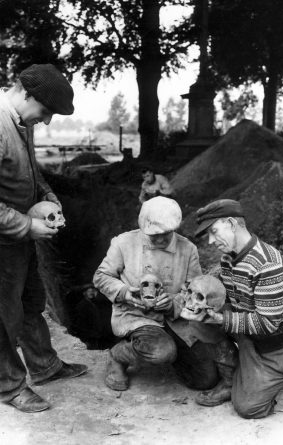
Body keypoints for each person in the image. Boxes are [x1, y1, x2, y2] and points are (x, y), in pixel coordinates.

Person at [0, 64, 88, 413]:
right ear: (26, 94)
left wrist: (48, 197)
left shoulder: (22, 122)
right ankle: (8, 386)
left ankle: (44, 366)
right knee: (2, 314)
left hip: (19, 238)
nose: (48, 121)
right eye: (46, 111)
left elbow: (31, 174)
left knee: (31, 302)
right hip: (4, 241)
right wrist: (26, 224)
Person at [93, 196, 236, 392]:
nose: (160, 239)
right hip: (138, 316)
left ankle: (174, 354)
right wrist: (125, 293)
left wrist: (173, 304)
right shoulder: (123, 243)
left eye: (166, 234)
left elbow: (195, 289)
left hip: (176, 319)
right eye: (154, 235)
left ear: (174, 228)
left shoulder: (187, 249)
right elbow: (101, 276)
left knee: (205, 380)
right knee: (161, 352)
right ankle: (118, 355)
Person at [195, 198, 283, 418]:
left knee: (248, 407)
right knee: (197, 318)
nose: (211, 241)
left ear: (232, 223)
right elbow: (225, 290)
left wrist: (222, 319)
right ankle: (231, 378)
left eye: (214, 231)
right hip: (251, 332)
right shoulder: (228, 258)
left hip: (278, 342)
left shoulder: (266, 263)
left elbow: (268, 324)